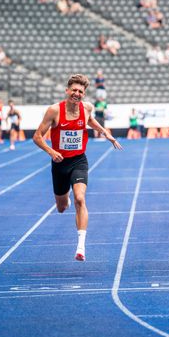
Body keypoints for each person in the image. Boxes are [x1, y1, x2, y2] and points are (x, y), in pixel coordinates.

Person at [33, 74, 123, 261]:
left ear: (84, 94)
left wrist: (105, 132)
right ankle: (62, 200)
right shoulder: (54, 111)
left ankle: (81, 246)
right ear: (67, 90)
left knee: (80, 199)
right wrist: (51, 152)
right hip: (59, 163)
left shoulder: (87, 108)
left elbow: (90, 120)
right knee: (62, 206)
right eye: (73, 90)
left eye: (80, 91)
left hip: (79, 161)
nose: (76, 93)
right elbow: (37, 137)